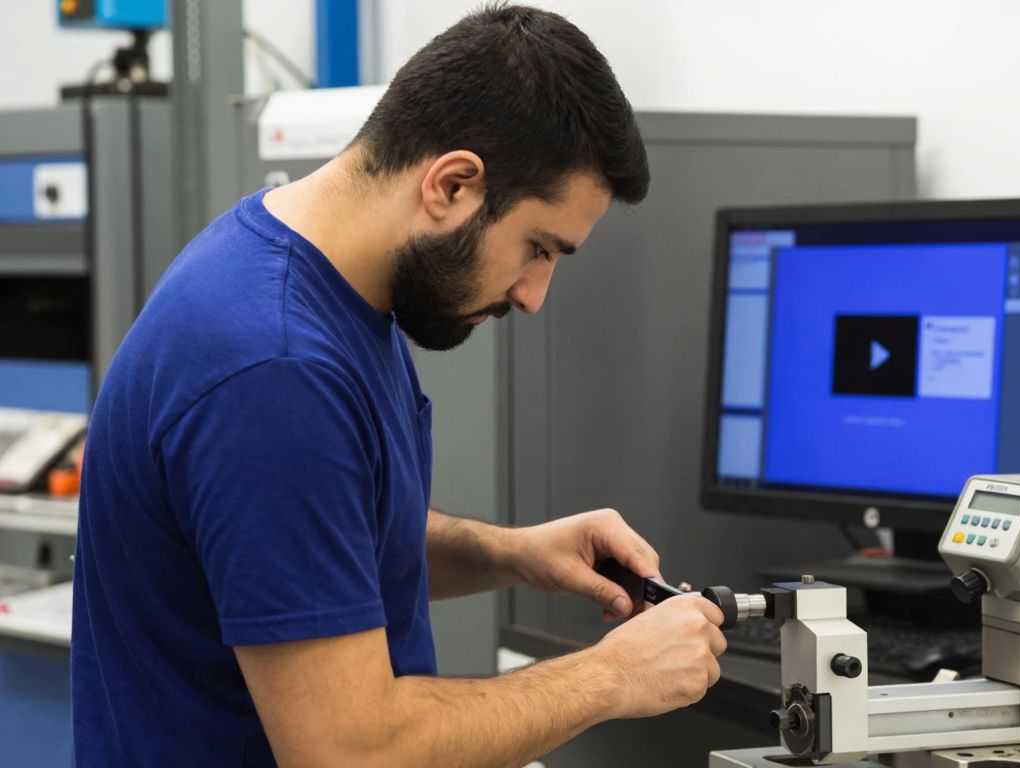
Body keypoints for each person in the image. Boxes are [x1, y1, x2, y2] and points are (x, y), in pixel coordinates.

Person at [71, 4, 726, 766]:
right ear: (452, 184)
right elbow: (347, 752)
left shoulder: (322, 288)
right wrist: (609, 676)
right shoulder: (275, 367)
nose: (533, 294)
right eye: (539, 248)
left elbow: (313, 544)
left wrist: (511, 554)